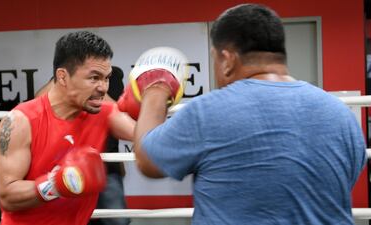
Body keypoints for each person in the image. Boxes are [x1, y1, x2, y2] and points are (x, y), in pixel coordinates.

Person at [130, 4, 366, 225]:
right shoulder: (341, 114)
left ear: (227, 59)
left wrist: (156, 89)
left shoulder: (208, 111)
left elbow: (148, 161)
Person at [0, 31, 135, 225]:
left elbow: (150, 138)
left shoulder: (103, 112)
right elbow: (7, 197)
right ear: (62, 77)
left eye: (106, 78)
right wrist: (57, 184)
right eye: (94, 78)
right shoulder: (20, 121)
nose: (103, 87)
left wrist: (153, 98)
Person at [89, 66, 130, 225]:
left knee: (117, 220)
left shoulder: (115, 74)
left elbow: (114, 111)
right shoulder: (70, 76)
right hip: (75, 166)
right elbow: (39, 97)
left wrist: (89, 88)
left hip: (107, 166)